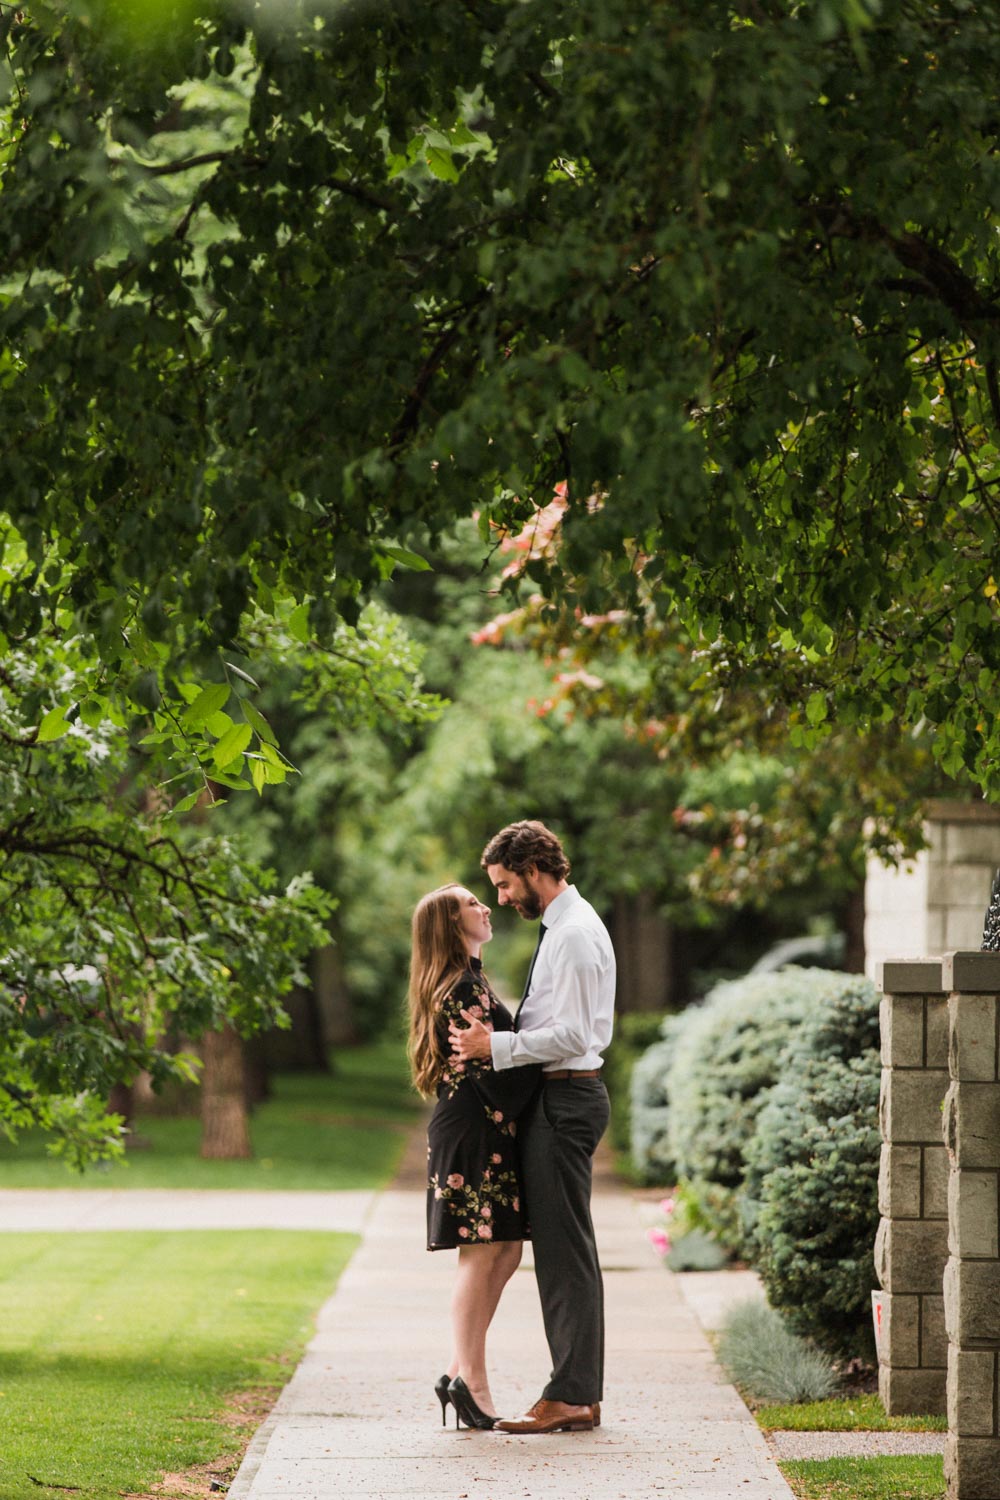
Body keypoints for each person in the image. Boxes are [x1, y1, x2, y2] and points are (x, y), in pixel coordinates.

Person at [450, 820, 616, 1435]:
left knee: (565, 1253)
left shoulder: (572, 935)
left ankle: (571, 1394)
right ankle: (578, 1392)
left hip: (566, 1100)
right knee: (565, 1249)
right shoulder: (563, 927)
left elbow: (572, 1036)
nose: (500, 898)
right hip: (562, 1099)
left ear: (531, 869)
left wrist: (497, 1045)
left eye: (503, 884)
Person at [407, 883, 540, 1432]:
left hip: (485, 1127)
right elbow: (494, 1071)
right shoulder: (462, 988)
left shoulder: (472, 981)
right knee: (481, 1255)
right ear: (449, 924)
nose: (486, 906)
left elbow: (500, 1060)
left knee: (504, 1251)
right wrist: (543, 1072)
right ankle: (474, 1384)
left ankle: (457, 1369)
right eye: (471, 904)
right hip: (475, 1130)